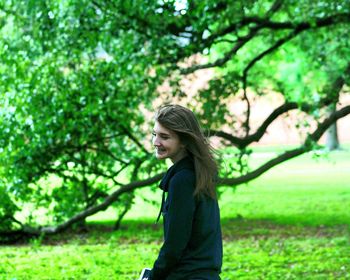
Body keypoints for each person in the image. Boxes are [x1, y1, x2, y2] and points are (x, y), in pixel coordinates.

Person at [148, 104, 223, 280]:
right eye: (154, 134)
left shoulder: (183, 181)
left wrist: (153, 277)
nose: (155, 142)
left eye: (164, 137)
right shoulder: (199, 173)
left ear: (184, 141)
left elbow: (174, 246)